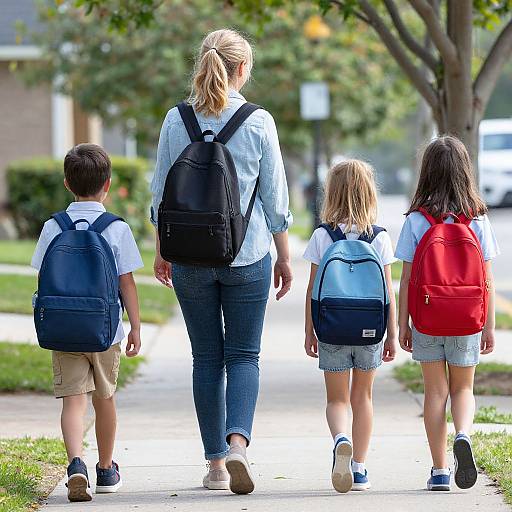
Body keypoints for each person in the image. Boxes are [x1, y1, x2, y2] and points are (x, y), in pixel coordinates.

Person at [150, 29, 293, 495]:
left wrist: (161, 249)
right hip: (247, 254)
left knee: (206, 358)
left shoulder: (176, 120)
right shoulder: (258, 121)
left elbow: (160, 195)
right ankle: (237, 445)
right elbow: (275, 200)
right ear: (242, 69)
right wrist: (284, 256)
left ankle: (214, 465)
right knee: (245, 355)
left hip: (190, 256)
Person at [31, 144, 143, 502]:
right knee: (105, 399)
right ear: (107, 184)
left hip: (64, 328)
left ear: (67, 183)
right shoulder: (116, 228)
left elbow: (43, 277)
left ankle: (76, 464)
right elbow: (126, 282)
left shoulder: (53, 226)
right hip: (105, 331)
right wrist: (136, 326)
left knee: (72, 402)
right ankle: (106, 469)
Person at [395, 135, 499, 492]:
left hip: (427, 317)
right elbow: (486, 280)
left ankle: (439, 470)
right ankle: (464, 434)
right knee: (463, 388)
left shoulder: (416, 221)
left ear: (427, 173)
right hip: (467, 317)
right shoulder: (478, 220)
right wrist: (488, 326)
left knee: (435, 392)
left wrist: (402, 324)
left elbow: (406, 278)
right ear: (464, 172)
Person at [303, 160, 398, 493]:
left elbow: (313, 288)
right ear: (369, 193)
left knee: (337, 400)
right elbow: (387, 292)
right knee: (364, 397)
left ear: (332, 194)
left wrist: (309, 330)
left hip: (331, 328)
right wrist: (392, 334)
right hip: (369, 329)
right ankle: (359, 468)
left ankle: (339, 438)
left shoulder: (322, 235)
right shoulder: (380, 237)